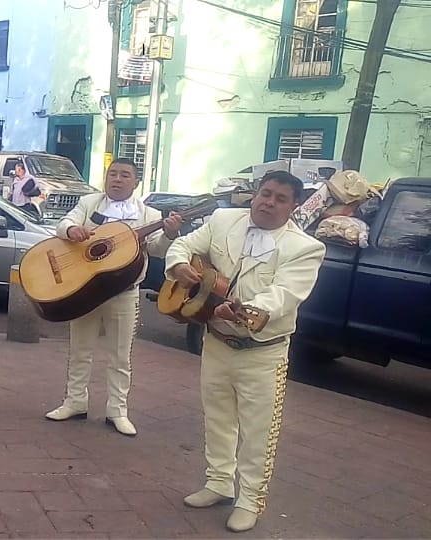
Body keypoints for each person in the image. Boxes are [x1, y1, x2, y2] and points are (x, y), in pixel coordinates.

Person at [164, 170, 326, 532]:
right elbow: (184, 245)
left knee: (258, 431)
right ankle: (219, 482)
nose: (269, 202)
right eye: (265, 193)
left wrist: (241, 311)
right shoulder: (224, 220)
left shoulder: (305, 248)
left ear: (293, 207)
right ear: (255, 194)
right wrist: (178, 266)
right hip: (216, 343)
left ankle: (250, 500)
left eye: (280, 198)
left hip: (263, 352)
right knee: (217, 418)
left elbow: (283, 295)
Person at [44, 158, 182, 435]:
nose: (117, 179)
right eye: (113, 174)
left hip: (124, 292)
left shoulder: (150, 215)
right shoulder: (89, 203)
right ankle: (75, 402)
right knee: (80, 349)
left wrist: (169, 234)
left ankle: (117, 410)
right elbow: (64, 223)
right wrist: (72, 230)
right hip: (85, 288)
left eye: (125, 175)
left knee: (120, 355)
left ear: (136, 182)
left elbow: (157, 250)